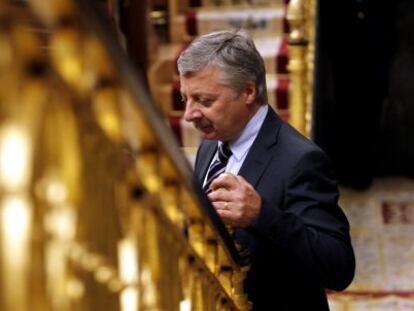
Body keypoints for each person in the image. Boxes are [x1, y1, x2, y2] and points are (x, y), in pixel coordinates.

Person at [177, 30, 355, 310]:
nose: (189, 115)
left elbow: (339, 266)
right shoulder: (211, 145)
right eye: (185, 99)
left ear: (248, 91)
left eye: (205, 101)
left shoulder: (301, 160)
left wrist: (262, 216)